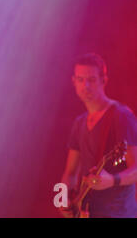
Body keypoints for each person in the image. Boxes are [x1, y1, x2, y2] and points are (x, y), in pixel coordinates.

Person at [60, 53, 137, 218]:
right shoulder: (79, 123)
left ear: (104, 80)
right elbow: (70, 173)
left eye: (92, 79)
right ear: (73, 82)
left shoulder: (121, 116)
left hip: (119, 214)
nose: (85, 85)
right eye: (80, 79)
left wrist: (113, 180)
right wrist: (63, 200)